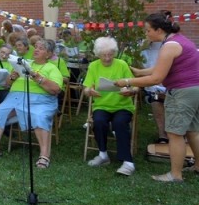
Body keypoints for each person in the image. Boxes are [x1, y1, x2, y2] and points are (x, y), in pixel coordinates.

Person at [115, 12, 199, 183]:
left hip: (182, 92)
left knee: (175, 133)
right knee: (192, 131)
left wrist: (127, 81)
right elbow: (160, 68)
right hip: (193, 90)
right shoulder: (176, 40)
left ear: (158, 30)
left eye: (147, 31)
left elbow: (156, 79)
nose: (146, 34)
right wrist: (139, 72)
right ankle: (198, 166)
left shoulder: (169, 46)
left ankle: (175, 175)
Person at [0, 38, 62, 168]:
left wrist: (37, 77)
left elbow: (56, 89)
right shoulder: (24, 63)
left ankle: (44, 155)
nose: (36, 50)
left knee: (39, 116)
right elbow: (7, 84)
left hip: (40, 101)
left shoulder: (52, 68)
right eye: (36, 47)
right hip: (15, 98)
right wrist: (12, 77)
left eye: (41, 48)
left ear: (48, 54)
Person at [83, 37, 138, 176]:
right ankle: (103, 155)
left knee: (119, 123)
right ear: (98, 54)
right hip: (102, 105)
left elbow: (136, 86)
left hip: (123, 105)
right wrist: (89, 91)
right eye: (104, 55)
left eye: (110, 54)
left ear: (114, 53)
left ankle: (128, 162)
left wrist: (131, 90)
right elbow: (86, 89)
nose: (107, 58)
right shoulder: (94, 66)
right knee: (99, 121)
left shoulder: (122, 64)